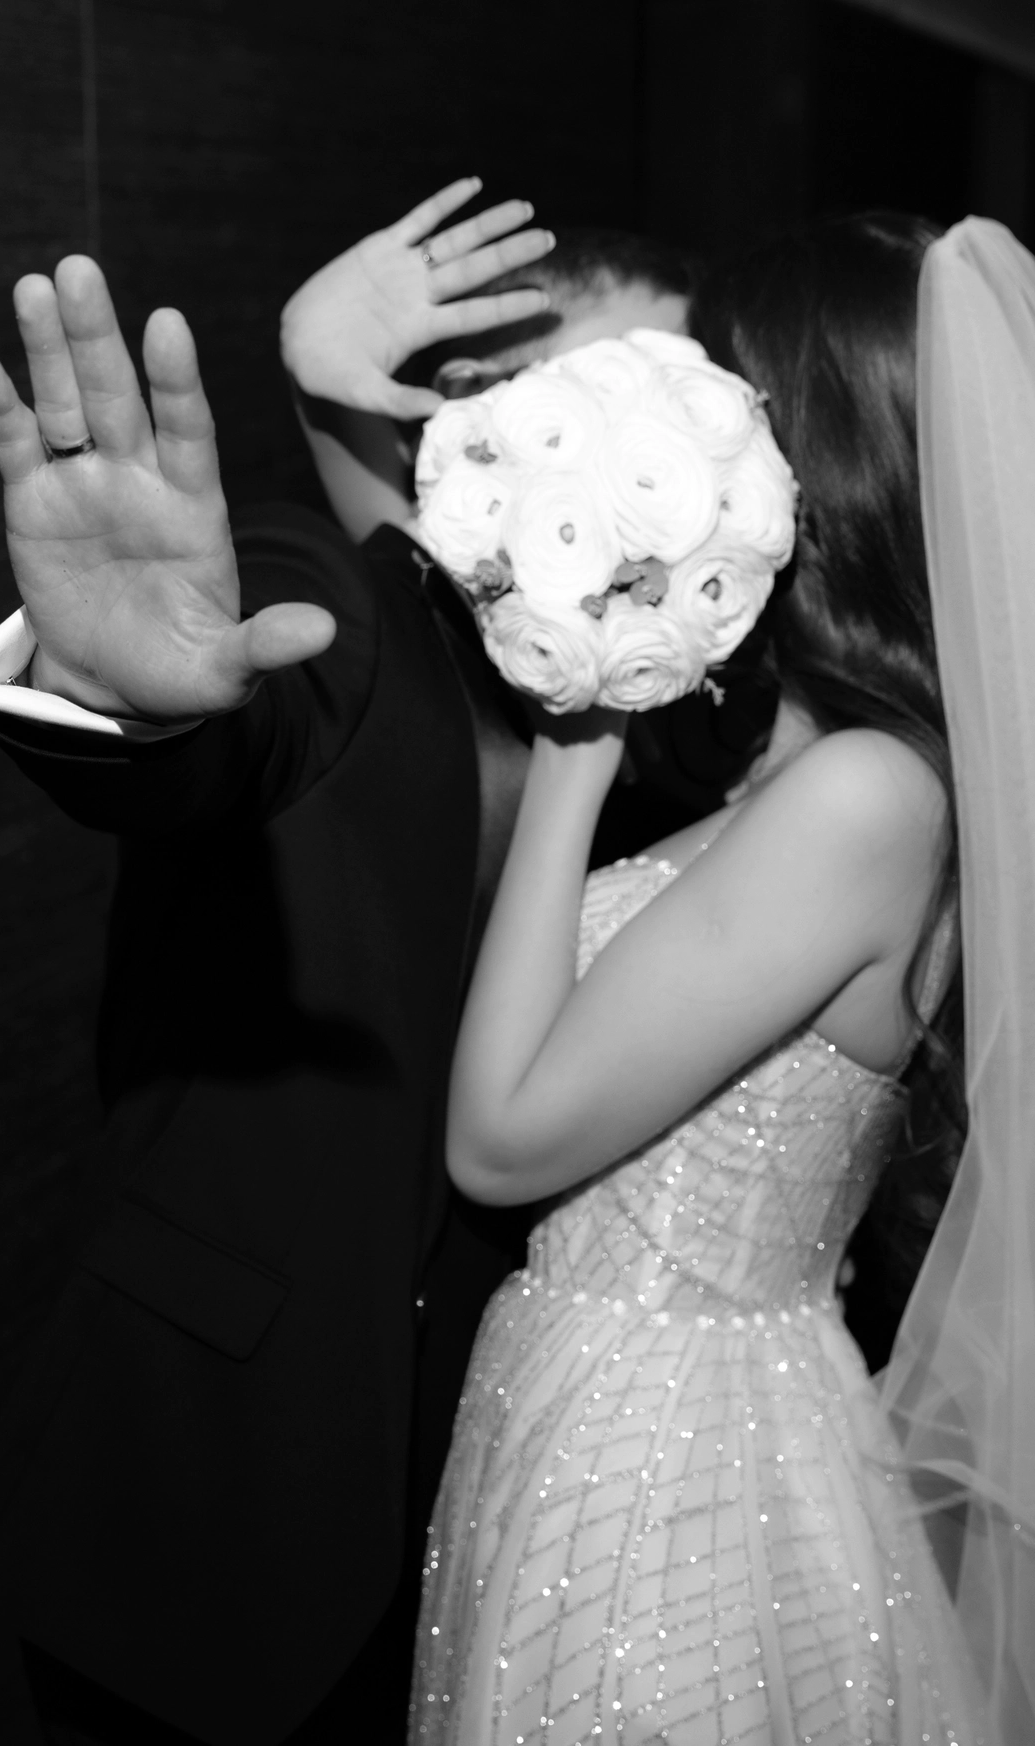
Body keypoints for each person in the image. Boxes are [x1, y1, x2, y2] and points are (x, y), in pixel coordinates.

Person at [0, 182, 739, 1746]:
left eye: (677, 436)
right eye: (597, 410)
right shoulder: (344, 615)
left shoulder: (661, 741)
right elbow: (226, 725)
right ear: (479, 416)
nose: (632, 489)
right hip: (196, 1501)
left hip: (481, 1526)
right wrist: (130, 697)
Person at [410, 212, 1035, 1744]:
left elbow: (498, 1136)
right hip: (625, 1405)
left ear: (803, 473)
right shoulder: (804, 761)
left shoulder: (867, 798)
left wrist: (573, 759)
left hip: (669, 1470)